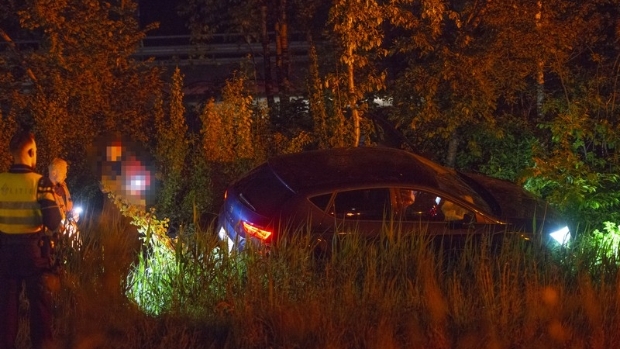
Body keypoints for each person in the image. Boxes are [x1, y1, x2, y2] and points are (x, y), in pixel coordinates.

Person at [0, 130, 62, 349]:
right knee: (40, 309)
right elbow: (54, 221)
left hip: (5, 255)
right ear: (30, 151)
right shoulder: (40, 183)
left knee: (6, 312)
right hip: (33, 254)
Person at [48, 158, 80, 244]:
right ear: (54, 173)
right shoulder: (46, 190)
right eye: (64, 173)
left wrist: (74, 214)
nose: (66, 176)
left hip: (70, 231)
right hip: (55, 235)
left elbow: (69, 206)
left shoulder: (64, 186)